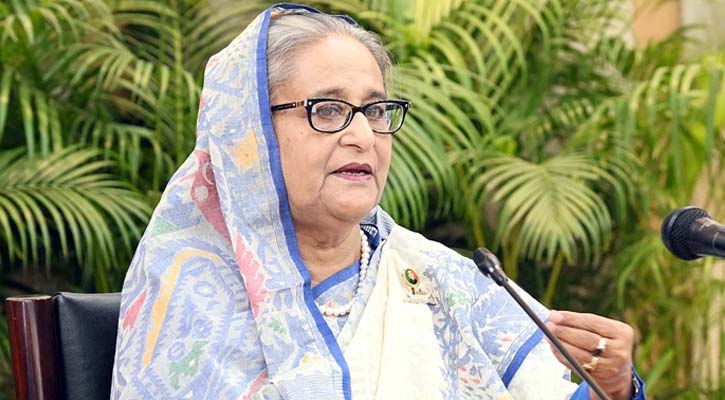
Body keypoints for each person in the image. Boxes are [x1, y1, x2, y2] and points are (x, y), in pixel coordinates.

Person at [111, 3, 645, 399]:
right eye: (327, 109)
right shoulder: (191, 286)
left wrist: (613, 389)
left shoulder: (435, 275)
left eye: (374, 110)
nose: (364, 136)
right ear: (250, 133)